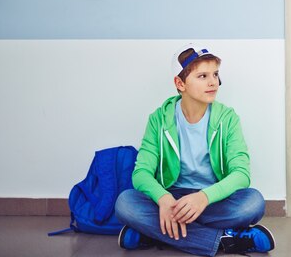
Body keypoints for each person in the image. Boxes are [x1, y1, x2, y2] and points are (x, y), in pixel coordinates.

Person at [115, 45, 275, 255]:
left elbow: (241, 174)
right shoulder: (158, 119)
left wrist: (203, 198)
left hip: (211, 199)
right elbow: (141, 173)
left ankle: (153, 232)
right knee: (125, 203)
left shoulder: (227, 118)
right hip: (172, 197)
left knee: (253, 203)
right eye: (202, 76)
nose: (213, 82)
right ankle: (227, 241)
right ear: (180, 83)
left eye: (215, 74)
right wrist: (164, 200)